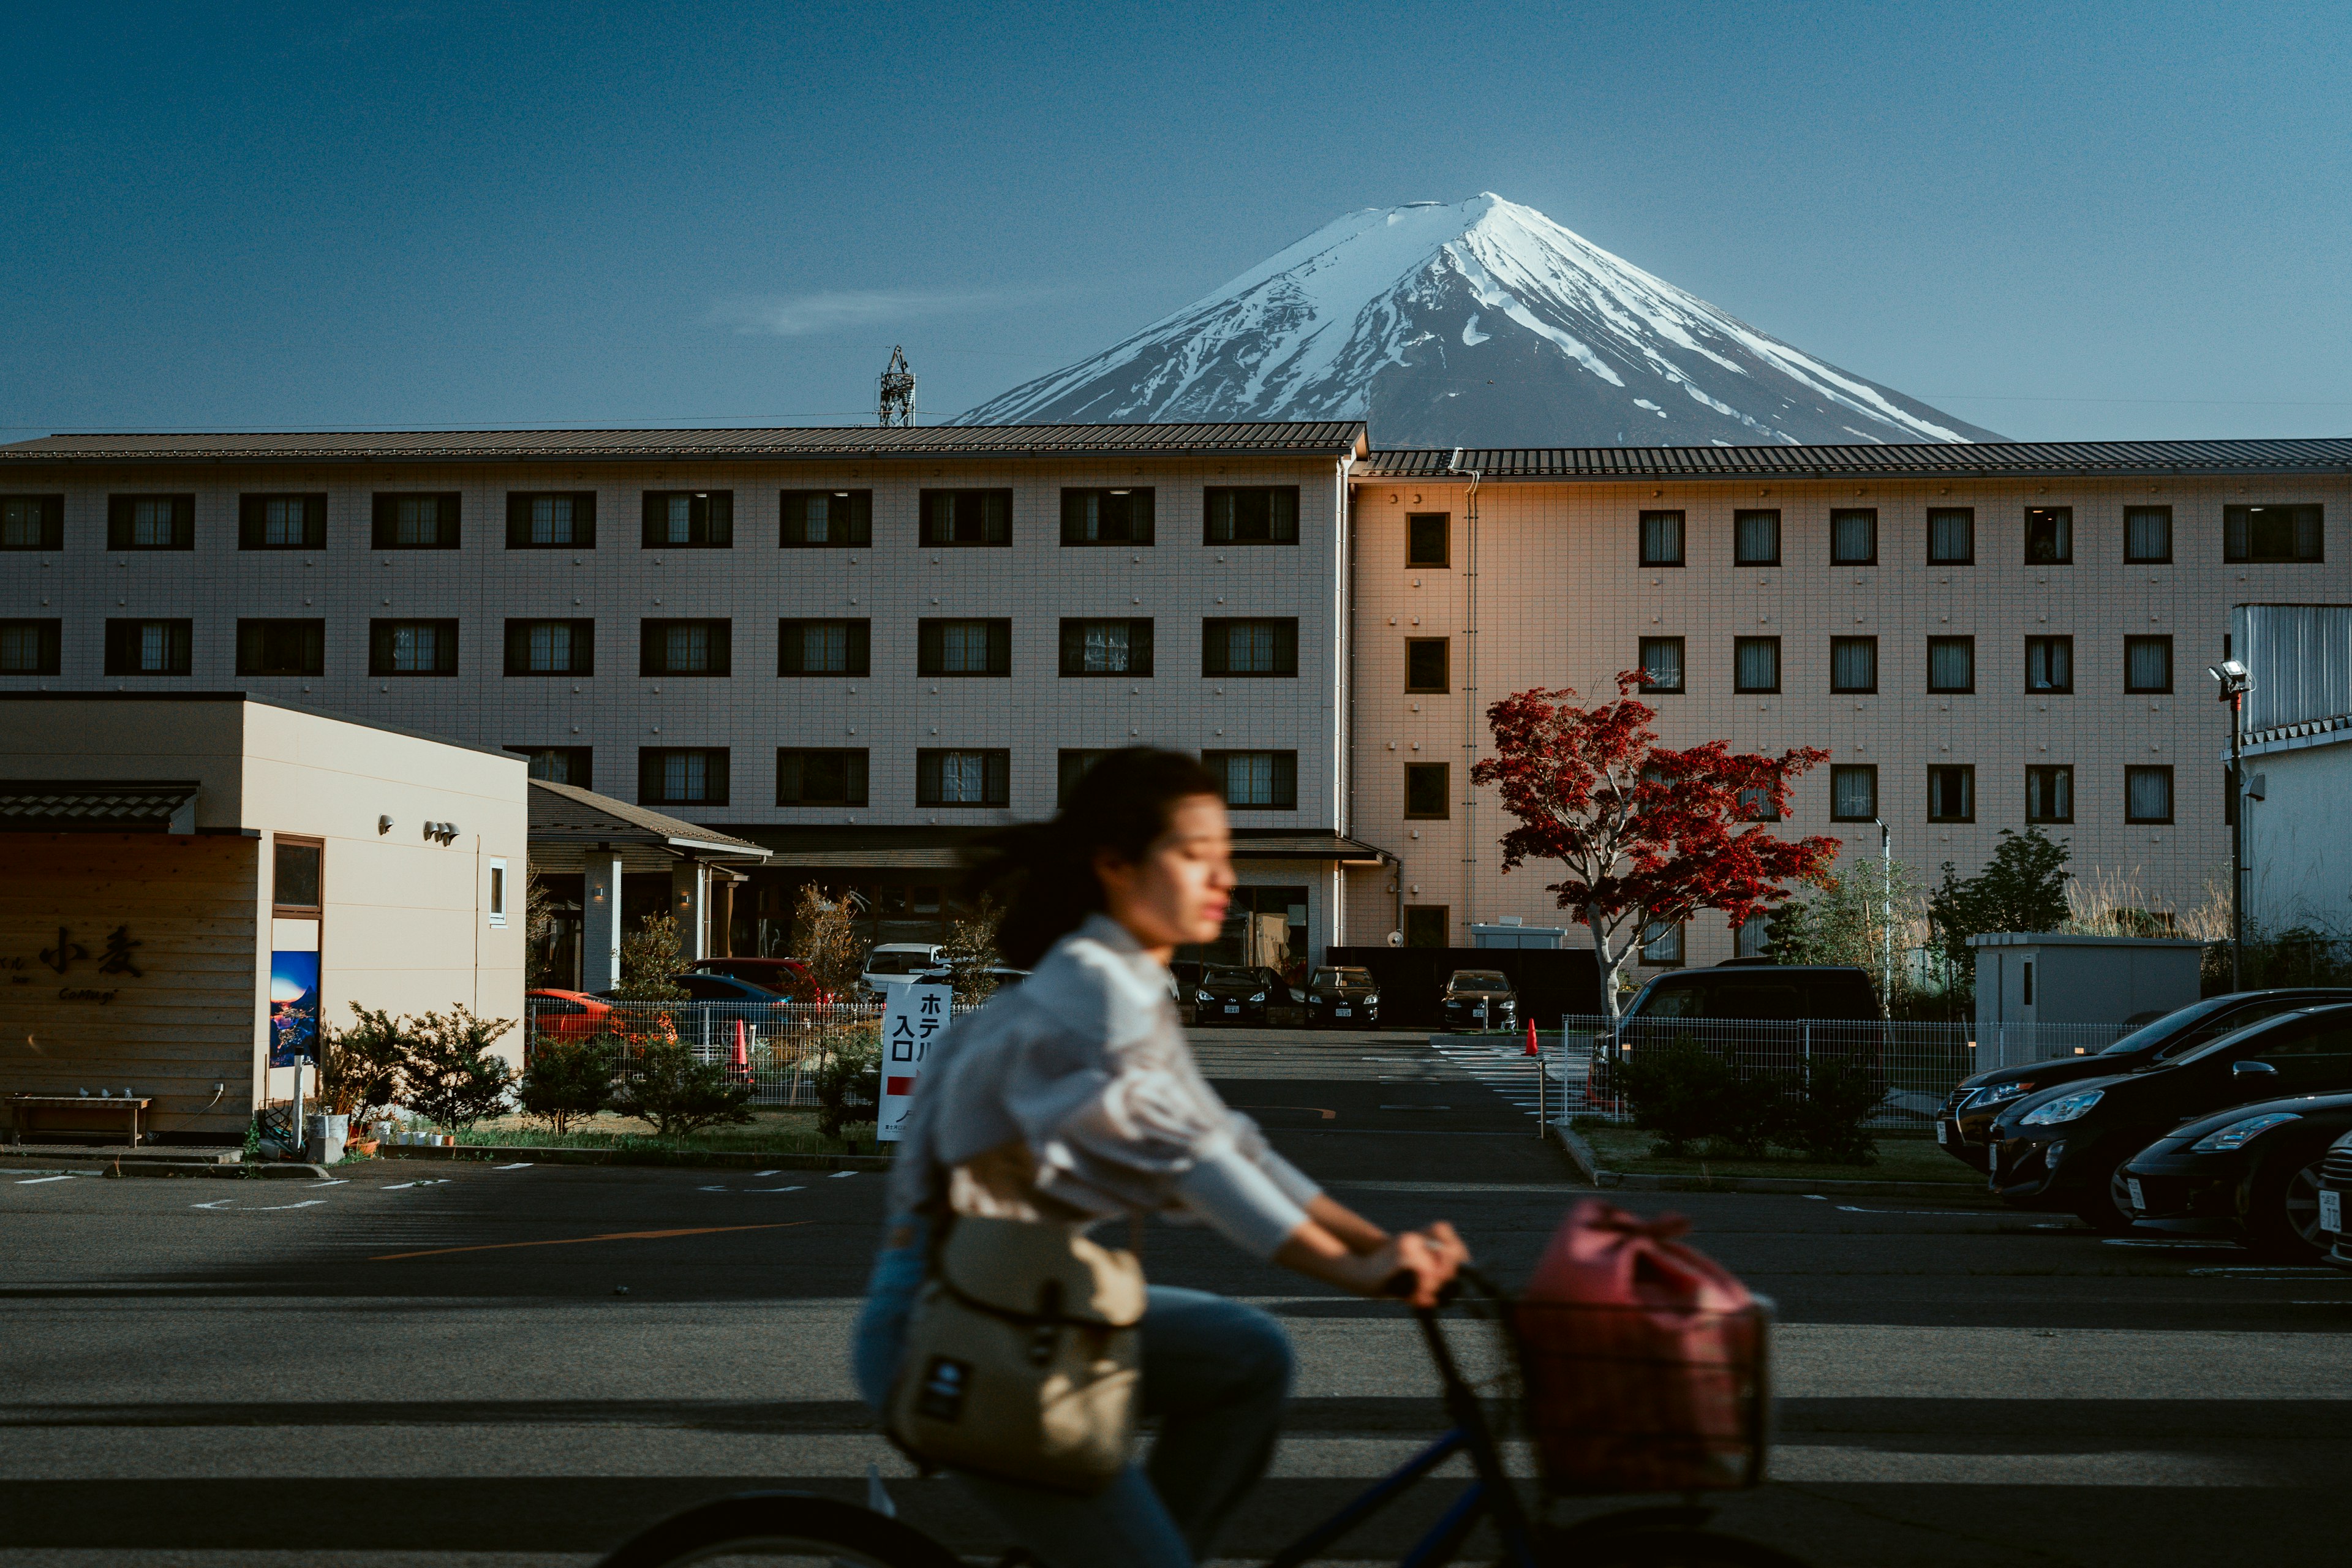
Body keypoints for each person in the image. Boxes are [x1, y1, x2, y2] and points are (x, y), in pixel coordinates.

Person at [852, 748, 1468, 1568]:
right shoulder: (1091, 992)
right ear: (1115, 865)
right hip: (951, 1324)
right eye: (1192, 855)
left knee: (1250, 1354)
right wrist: (1364, 1273)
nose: (1221, 878)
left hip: (1022, 1298)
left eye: (1224, 856)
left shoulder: (1130, 985)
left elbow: (1231, 1146)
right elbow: (1200, 1172)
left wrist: (1379, 1243)